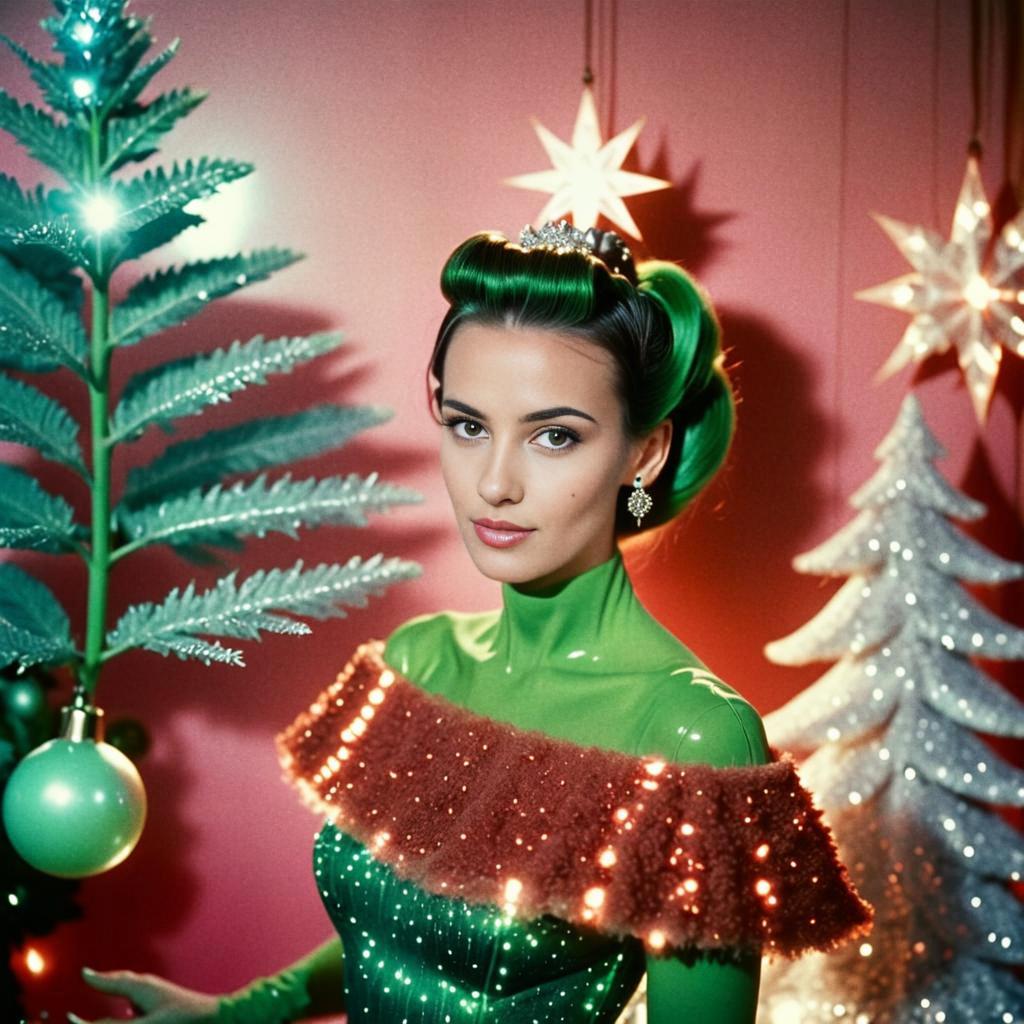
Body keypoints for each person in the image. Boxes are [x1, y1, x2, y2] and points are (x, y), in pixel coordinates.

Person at [74, 221, 871, 1024]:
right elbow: (394, 938)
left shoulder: (694, 734)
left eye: (554, 436)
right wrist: (234, 1013)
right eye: (468, 425)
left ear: (645, 453)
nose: (494, 483)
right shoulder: (419, 662)